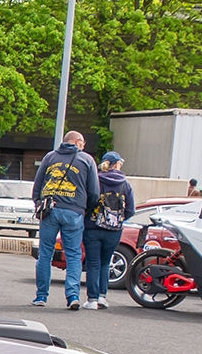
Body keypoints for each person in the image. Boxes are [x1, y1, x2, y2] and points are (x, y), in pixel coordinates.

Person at [31, 130, 100, 310]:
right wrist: (85, 209)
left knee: (45, 253)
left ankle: (41, 296)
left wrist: (38, 203)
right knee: (74, 255)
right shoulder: (86, 160)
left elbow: (37, 185)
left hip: (50, 210)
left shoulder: (50, 157)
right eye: (83, 143)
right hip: (74, 212)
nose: (84, 146)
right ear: (77, 142)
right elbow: (94, 191)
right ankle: (72, 296)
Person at [82, 150, 136, 309]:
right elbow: (131, 209)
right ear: (117, 164)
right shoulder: (125, 184)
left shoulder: (95, 181)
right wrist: (119, 219)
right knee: (106, 262)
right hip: (114, 230)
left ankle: (91, 299)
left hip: (92, 227)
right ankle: (102, 297)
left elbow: (89, 200)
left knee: (93, 263)